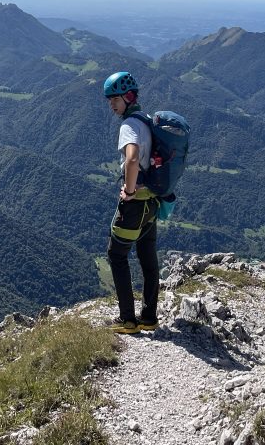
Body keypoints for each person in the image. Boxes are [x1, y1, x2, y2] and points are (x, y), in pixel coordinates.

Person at [103, 71, 160, 334]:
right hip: (152, 202)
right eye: (109, 100)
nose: (111, 104)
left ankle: (128, 320)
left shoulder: (129, 126)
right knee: (147, 256)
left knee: (116, 255)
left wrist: (128, 190)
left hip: (136, 203)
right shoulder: (146, 121)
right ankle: (149, 317)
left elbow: (132, 158)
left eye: (114, 99)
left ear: (128, 97)